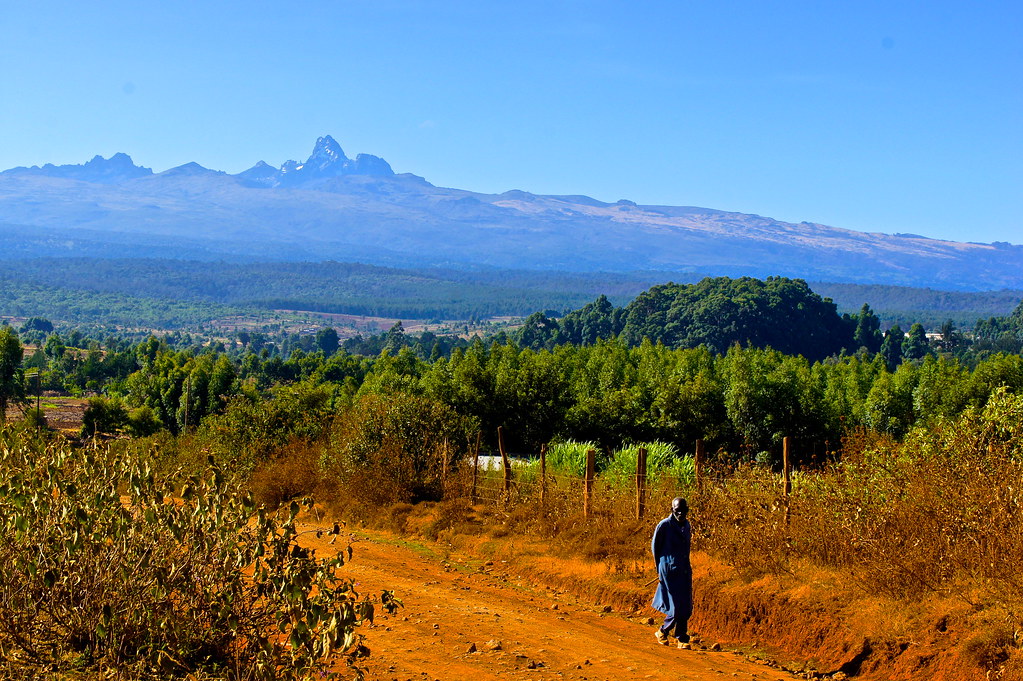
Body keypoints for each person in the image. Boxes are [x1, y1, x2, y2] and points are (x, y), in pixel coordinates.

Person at [651, 497, 693, 649]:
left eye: (684, 511)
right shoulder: (664, 526)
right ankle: (663, 631)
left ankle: (681, 638)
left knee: (686, 606)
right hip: (668, 571)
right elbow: (655, 548)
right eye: (677, 511)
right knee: (675, 607)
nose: (681, 514)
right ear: (672, 510)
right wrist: (660, 570)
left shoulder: (687, 525)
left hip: (684, 570)